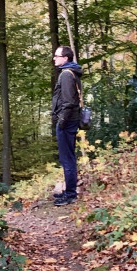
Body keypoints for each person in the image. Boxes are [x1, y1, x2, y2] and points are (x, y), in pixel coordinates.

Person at [51, 45, 83, 206]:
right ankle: (69, 191)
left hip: (68, 121)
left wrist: (61, 121)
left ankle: (70, 194)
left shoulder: (66, 75)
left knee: (67, 158)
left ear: (66, 58)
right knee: (69, 157)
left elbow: (69, 102)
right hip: (71, 120)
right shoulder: (72, 72)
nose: (54, 58)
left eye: (57, 56)